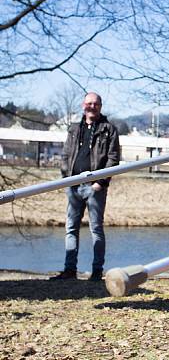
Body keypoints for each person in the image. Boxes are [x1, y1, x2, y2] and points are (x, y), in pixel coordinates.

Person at [50, 92, 120, 282]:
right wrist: (66, 177)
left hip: (95, 187)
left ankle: (97, 272)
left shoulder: (109, 129)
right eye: (89, 103)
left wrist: (101, 182)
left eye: (95, 104)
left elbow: (113, 158)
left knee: (96, 229)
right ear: (83, 105)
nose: (92, 107)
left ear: (100, 106)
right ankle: (69, 270)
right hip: (72, 185)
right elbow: (65, 155)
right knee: (71, 228)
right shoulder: (74, 128)